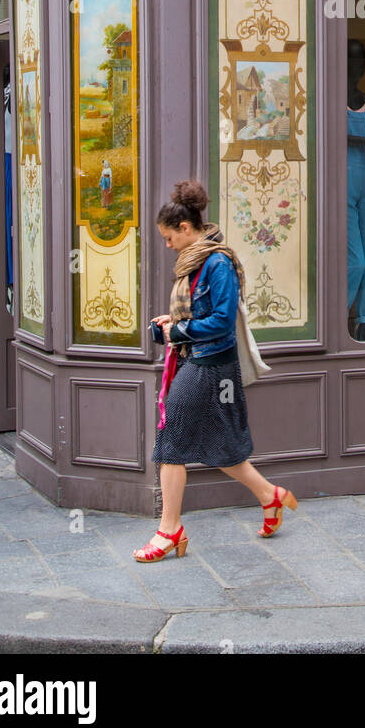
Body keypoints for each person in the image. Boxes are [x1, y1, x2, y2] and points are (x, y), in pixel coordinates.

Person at [133, 178, 297, 563]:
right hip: (201, 360)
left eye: (169, 237)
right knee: (221, 447)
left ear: (186, 229)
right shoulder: (196, 261)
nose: (167, 245)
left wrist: (178, 329)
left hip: (212, 365)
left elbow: (222, 321)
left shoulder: (217, 262)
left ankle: (169, 530)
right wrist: (173, 321)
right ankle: (269, 497)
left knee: (170, 442)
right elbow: (203, 313)